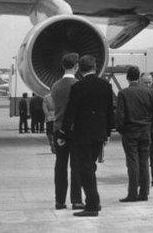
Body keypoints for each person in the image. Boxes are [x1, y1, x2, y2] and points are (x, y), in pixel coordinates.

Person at [62, 54, 114, 217]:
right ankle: (94, 201)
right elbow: (109, 112)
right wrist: (108, 133)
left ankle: (92, 205)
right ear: (95, 67)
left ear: (80, 69)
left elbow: (71, 112)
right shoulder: (105, 86)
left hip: (82, 135)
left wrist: (65, 132)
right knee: (90, 167)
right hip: (99, 134)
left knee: (85, 170)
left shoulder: (78, 87)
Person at [115, 66, 153, 203]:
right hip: (145, 131)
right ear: (139, 78)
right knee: (144, 161)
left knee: (132, 162)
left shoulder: (123, 93)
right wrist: (150, 126)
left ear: (127, 78)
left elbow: (120, 115)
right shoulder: (149, 92)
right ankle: (144, 193)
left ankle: (132, 193)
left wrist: (122, 129)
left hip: (130, 131)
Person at [50, 52, 83, 210]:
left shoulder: (55, 85)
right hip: (76, 131)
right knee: (76, 165)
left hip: (59, 129)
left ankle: (59, 201)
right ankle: (76, 200)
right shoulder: (79, 84)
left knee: (60, 165)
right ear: (76, 66)